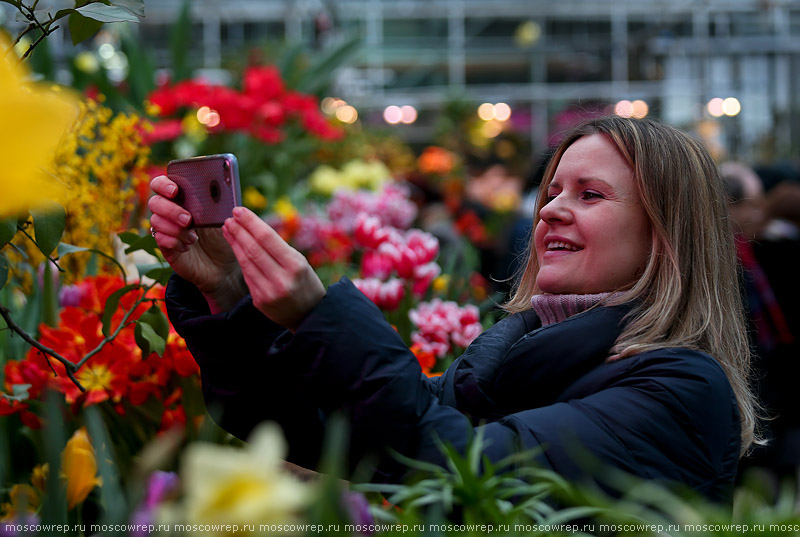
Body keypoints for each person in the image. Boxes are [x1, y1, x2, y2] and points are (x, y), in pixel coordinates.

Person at [149, 116, 759, 504]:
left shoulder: (680, 388)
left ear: (666, 235)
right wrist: (228, 297)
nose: (548, 211)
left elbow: (457, 471)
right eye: (550, 194)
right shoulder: (508, 358)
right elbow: (322, 432)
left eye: (590, 195)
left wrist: (318, 314)